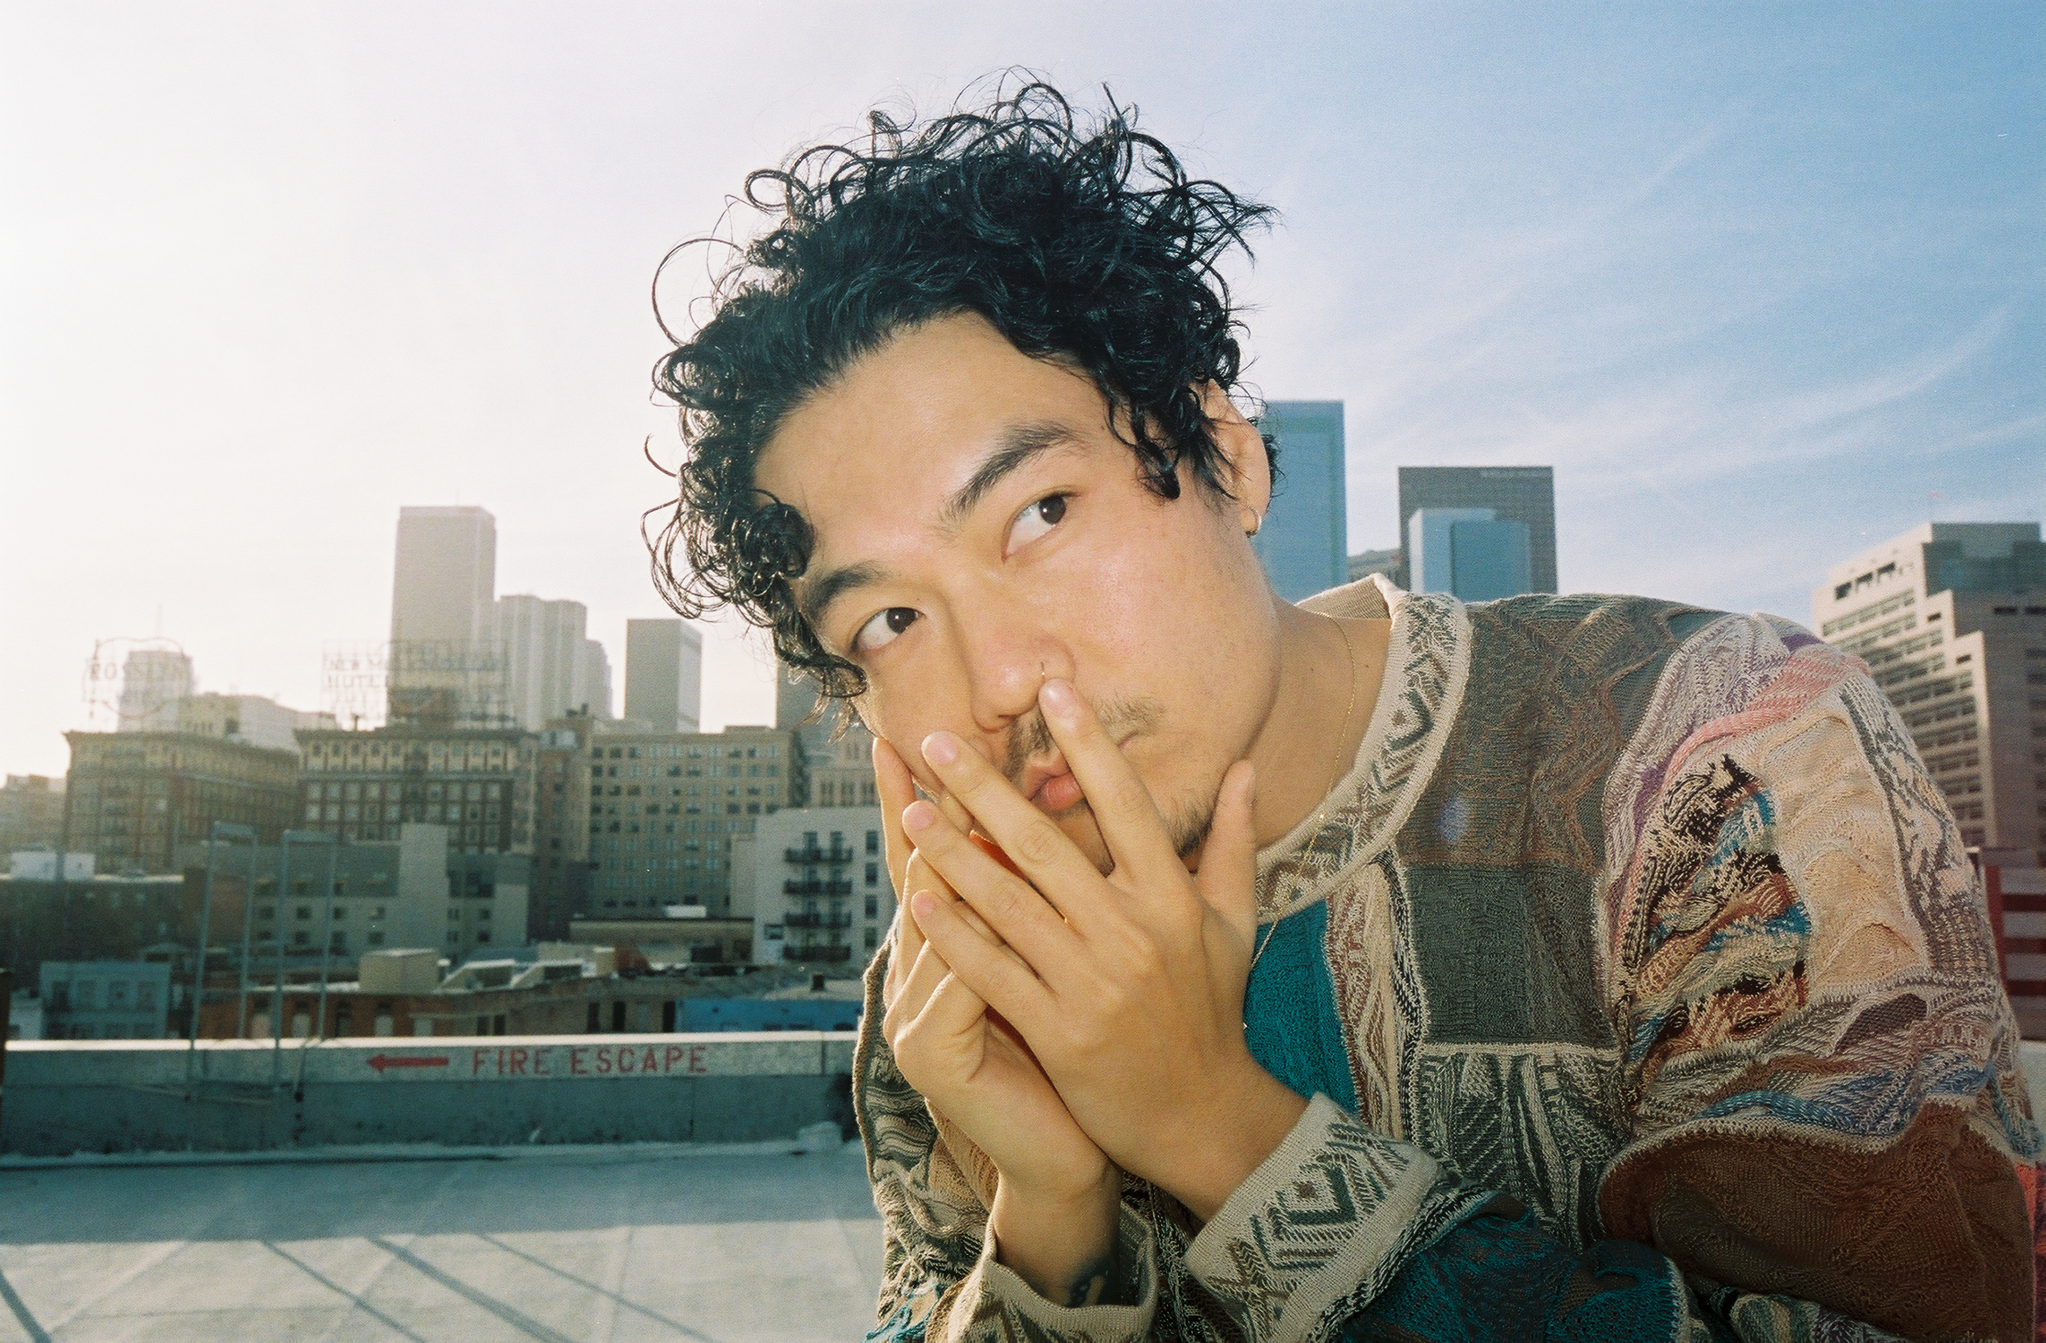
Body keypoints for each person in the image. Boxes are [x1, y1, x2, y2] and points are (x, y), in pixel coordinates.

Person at [648, 80, 2038, 1343]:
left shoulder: (1707, 757)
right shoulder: (963, 961)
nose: (999, 679)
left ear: (1229, 460)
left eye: (1041, 514)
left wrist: (1217, 1130)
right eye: (888, 621)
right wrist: (1052, 1223)